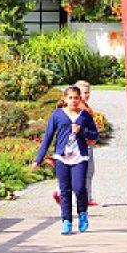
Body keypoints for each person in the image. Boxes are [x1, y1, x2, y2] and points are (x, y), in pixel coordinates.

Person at [35, 86, 99, 235]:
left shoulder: (85, 115)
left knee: (79, 187)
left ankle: (82, 213)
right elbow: (48, 137)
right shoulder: (57, 115)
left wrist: (82, 131)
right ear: (65, 99)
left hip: (79, 157)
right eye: (70, 98)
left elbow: (95, 135)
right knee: (64, 190)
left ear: (80, 99)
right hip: (61, 158)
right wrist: (38, 159)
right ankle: (66, 221)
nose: (73, 101)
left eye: (76, 98)